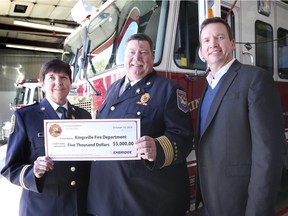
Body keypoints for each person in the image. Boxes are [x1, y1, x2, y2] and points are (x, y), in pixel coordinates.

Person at [87, 33, 194, 216]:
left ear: (152, 58)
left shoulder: (168, 89)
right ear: (124, 58)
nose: (136, 58)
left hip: (142, 200)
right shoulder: (113, 88)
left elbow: (183, 138)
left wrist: (157, 148)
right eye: (131, 53)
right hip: (106, 196)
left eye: (143, 52)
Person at [194, 17, 286, 216]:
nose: (213, 44)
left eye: (220, 37)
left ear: (233, 43)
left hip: (240, 204)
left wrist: (257, 211)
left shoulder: (255, 79)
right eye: (206, 41)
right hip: (210, 204)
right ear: (201, 51)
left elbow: (268, 153)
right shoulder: (207, 87)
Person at [1, 59, 92, 216]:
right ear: (42, 84)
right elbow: (10, 168)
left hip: (79, 205)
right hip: (42, 208)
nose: (58, 83)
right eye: (51, 78)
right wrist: (33, 172)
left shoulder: (83, 115)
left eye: (63, 77)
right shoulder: (25, 117)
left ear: (70, 83)